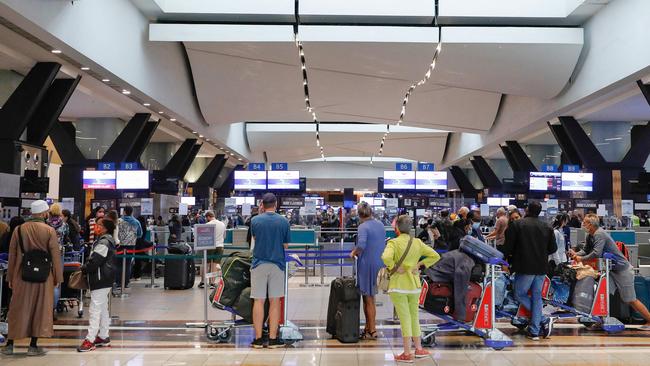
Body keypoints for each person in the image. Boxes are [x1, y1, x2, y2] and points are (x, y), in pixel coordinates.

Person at [2, 200, 63, 356]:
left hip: (22, 274)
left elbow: (13, 254)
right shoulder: (49, 231)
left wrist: (10, 277)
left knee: (17, 308)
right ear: (43, 214)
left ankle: (10, 344)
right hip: (43, 276)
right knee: (40, 308)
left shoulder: (19, 230)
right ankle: (33, 346)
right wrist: (58, 277)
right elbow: (55, 256)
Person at [569, 214, 650, 329]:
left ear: (591, 225)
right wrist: (576, 254)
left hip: (622, 271)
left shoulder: (599, 234)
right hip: (611, 270)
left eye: (585, 222)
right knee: (602, 295)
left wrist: (581, 259)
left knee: (630, 299)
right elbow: (586, 250)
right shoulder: (590, 235)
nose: (583, 224)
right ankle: (600, 320)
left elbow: (596, 253)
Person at [382, 215, 440, 362]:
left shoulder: (393, 243)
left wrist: (394, 267)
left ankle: (407, 353)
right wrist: (419, 265)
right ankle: (419, 348)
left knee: (405, 319)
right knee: (414, 316)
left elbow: (385, 257)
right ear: (411, 229)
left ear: (397, 228)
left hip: (398, 286)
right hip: (414, 285)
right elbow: (435, 256)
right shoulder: (418, 242)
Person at [501, 201, 556, 340]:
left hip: (524, 266)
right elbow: (553, 248)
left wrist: (504, 260)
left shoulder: (517, 225)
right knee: (537, 297)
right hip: (542, 267)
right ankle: (534, 331)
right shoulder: (547, 226)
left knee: (519, 294)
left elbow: (508, 247)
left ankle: (542, 319)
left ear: (526, 210)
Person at [249, 193, 290, 349]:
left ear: (262, 205)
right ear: (276, 203)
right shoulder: (284, 221)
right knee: (275, 301)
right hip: (277, 265)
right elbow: (286, 246)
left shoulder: (255, 220)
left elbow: (255, 238)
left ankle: (258, 339)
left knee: (258, 301)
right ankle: (273, 339)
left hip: (259, 264)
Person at [77, 218, 116, 352]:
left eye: (99, 225)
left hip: (101, 278)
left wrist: (84, 268)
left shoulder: (104, 242)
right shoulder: (105, 240)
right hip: (105, 277)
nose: (96, 227)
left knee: (95, 309)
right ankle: (104, 336)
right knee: (103, 308)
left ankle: (90, 340)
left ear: (105, 228)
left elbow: (95, 262)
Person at [348, 202, 385, 340]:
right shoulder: (380, 224)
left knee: (368, 298)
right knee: (370, 298)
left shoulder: (363, 226)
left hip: (367, 264)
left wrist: (353, 252)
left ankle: (372, 330)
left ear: (359, 215)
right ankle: (368, 327)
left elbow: (362, 244)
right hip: (379, 263)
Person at [425, 249, 476, 322]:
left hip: (431, 276)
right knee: (465, 289)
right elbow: (460, 288)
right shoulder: (466, 262)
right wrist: (461, 315)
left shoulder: (458, 253)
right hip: (436, 281)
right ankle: (458, 314)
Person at [115, 207, 142, 290]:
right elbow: (140, 234)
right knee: (128, 264)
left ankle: (118, 283)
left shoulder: (118, 221)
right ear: (132, 212)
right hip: (131, 245)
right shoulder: (136, 222)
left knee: (119, 264)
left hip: (119, 245)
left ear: (124, 212)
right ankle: (126, 283)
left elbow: (115, 232)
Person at [198, 211, 226, 289]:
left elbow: (203, 237)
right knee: (215, 264)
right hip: (220, 246)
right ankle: (212, 283)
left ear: (208, 217)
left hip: (209, 246)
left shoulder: (207, 225)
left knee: (206, 264)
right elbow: (224, 236)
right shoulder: (222, 224)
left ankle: (203, 282)